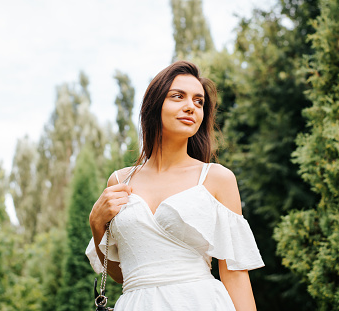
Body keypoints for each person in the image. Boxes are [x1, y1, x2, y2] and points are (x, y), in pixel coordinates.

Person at [86, 60, 264, 310]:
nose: (191, 107)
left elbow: (235, 275)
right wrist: (96, 225)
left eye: (198, 101)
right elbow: (124, 275)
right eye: (178, 96)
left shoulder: (217, 179)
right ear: (154, 105)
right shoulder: (119, 181)